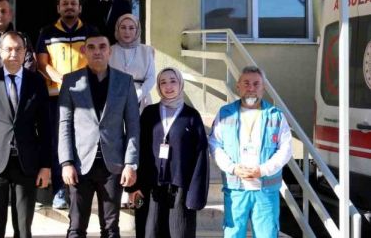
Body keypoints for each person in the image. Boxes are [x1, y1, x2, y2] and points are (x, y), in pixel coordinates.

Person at [58, 34, 140, 238]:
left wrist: (130, 163)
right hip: (79, 164)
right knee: (76, 228)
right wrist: (66, 162)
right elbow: (64, 124)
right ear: (84, 51)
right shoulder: (70, 81)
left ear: (109, 51)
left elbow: (132, 125)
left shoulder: (125, 81)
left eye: (102, 46)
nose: (97, 51)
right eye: (92, 47)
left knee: (111, 228)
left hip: (113, 165)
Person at [0, 31, 52, 238]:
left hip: (27, 162)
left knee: (24, 228)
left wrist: (46, 165)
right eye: (8, 49)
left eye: (18, 49)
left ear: (25, 52)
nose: (13, 54)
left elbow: (45, 127)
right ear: (0, 52)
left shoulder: (36, 82)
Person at [208, 66, 292, 238]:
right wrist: (233, 168)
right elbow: (215, 144)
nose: (251, 88)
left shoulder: (276, 115)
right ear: (238, 86)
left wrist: (263, 170)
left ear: (263, 88)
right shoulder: (225, 114)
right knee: (233, 234)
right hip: (236, 190)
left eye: (256, 84)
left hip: (265, 192)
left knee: (266, 235)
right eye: (246, 83)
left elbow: (286, 149)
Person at [36, 0, 98, 209]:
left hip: (85, 98)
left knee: (83, 142)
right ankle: (59, 190)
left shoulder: (91, 32)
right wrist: (63, 81)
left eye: (73, 3)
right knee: (58, 143)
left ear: (80, 8)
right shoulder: (47, 33)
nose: (69, 7)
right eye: (65, 4)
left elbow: (97, 61)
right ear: (58, 8)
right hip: (56, 97)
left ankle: (80, 189)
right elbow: (42, 64)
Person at [130, 67, 209, 238]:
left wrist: (195, 194)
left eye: (173, 81)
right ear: (158, 87)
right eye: (163, 82)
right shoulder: (149, 113)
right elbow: (137, 149)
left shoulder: (192, 116)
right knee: (150, 232)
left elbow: (201, 156)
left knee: (179, 233)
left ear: (180, 84)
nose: (168, 86)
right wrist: (135, 187)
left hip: (181, 189)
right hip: (151, 188)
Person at [108, 14, 154, 112]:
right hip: (115, 99)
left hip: (141, 99)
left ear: (137, 30)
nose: (127, 32)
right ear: (117, 29)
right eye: (123, 27)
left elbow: (151, 77)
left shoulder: (146, 51)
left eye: (131, 28)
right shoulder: (109, 51)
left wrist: (138, 94)